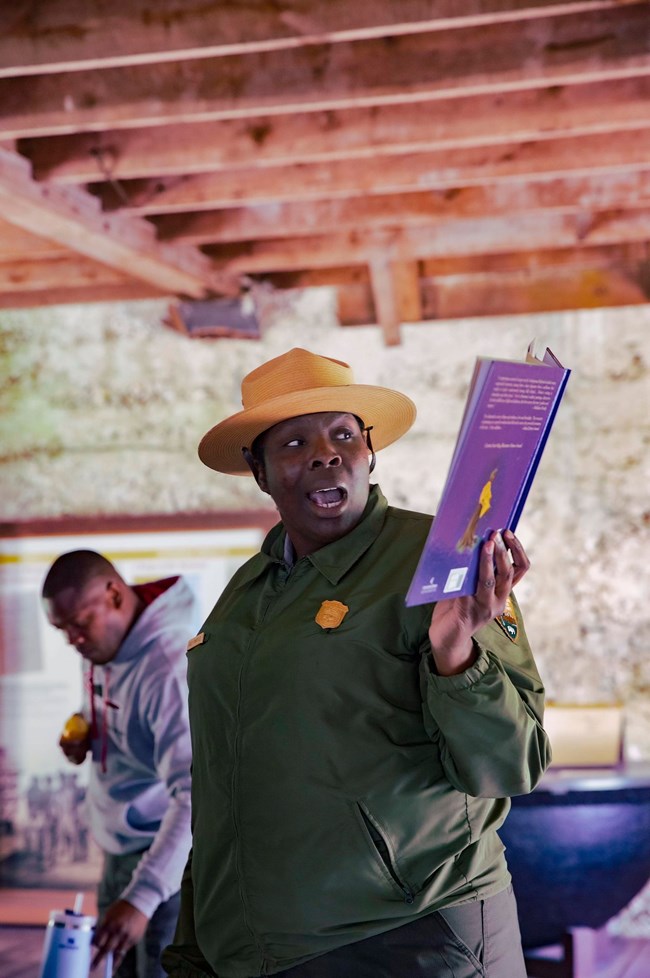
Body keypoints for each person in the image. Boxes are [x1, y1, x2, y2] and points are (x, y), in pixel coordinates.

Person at [163, 348, 552, 978]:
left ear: (369, 454)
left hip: (410, 936)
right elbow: (226, 777)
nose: (325, 452)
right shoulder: (247, 591)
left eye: (344, 433)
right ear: (259, 472)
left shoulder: (441, 561)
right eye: (294, 441)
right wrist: (200, 938)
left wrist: (457, 653)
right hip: (263, 951)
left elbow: (510, 764)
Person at [42, 550, 199, 978]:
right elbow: (111, 705)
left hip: (164, 861)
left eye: (78, 624)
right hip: (116, 851)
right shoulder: (104, 644)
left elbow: (196, 797)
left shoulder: (167, 668)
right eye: (62, 630)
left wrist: (142, 898)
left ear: (113, 594)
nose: (73, 640)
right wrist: (87, 730)